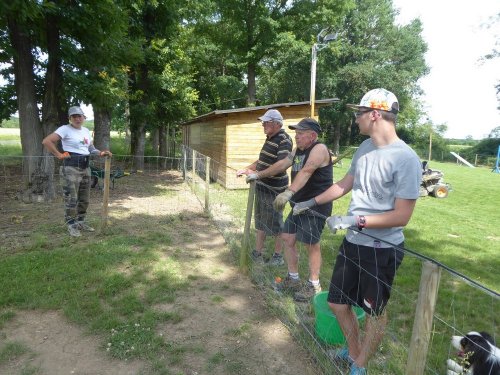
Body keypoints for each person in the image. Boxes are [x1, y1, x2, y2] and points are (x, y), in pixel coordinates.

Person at [294, 89, 421, 374]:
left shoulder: (406, 159)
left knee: (375, 311)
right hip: (353, 243)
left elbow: (403, 215)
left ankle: (360, 364)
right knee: (337, 303)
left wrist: (355, 221)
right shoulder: (364, 149)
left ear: (375, 114)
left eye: (359, 113)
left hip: (381, 250)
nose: (355, 119)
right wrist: (310, 201)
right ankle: (353, 352)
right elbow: (344, 184)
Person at [247, 117, 332, 301]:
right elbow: (283, 164)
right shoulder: (297, 151)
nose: (297, 137)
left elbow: (307, 171)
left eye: (300, 134)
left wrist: (288, 192)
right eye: (296, 133)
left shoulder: (319, 149)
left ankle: (314, 285)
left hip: (314, 205)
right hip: (298, 204)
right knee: (287, 238)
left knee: (311, 244)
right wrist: (258, 174)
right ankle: (293, 278)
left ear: (312, 135)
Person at [42, 106, 112, 237]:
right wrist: (58, 154)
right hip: (71, 168)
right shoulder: (64, 129)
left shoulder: (85, 130)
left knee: (84, 198)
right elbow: (47, 141)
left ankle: (81, 222)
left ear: (84, 117)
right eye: (74, 116)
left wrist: (101, 153)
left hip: (86, 168)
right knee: (71, 199)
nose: (77, 118)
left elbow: (90, 148)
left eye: (79, 116)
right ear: (70, 118)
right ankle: (71, 225)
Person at [237, 109, 293, 266]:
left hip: (274, 189)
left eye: (266, 122)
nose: (263, 124)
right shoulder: (270, 138)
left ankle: (277, 256)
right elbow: (262, 160)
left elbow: (281, 165)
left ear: (276, 124)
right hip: (262, 187)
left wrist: (258, 175)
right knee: (261, 221)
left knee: (276, 224)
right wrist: (247, 168)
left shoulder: (284, 139)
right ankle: (258, 252)